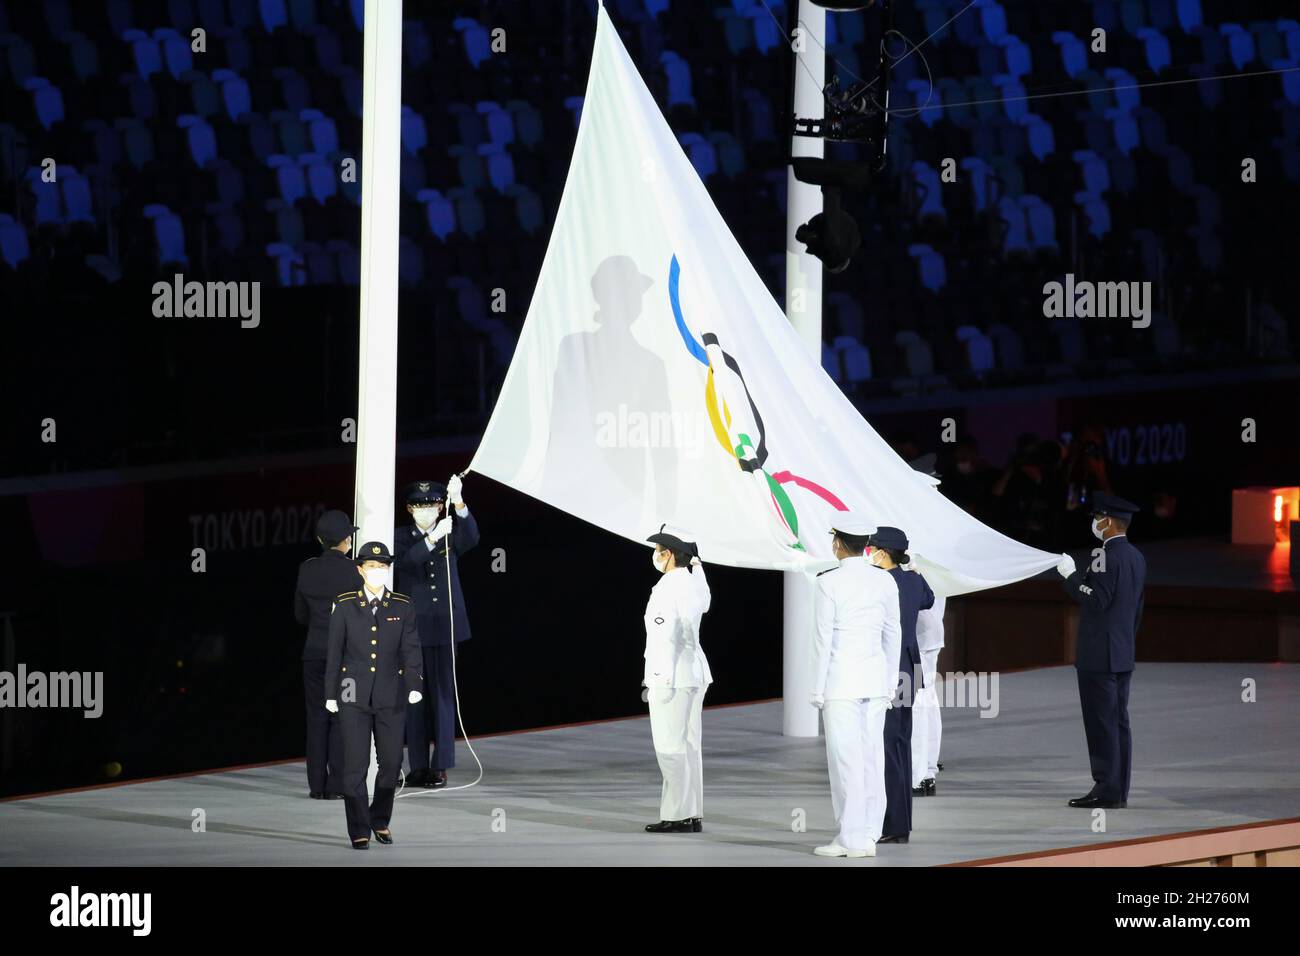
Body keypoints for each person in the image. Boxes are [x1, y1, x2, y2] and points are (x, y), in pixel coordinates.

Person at [810, 512, 901, 858]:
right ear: (866, 546)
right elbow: (893, 634)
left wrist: (817, 689)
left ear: (837, 543)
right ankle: (868, 835)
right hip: (876, 681)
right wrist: (891, 682)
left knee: (844, 761)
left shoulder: (827, 582)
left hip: (840, 682)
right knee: (870, 758)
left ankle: (850, 838)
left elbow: (823, 640)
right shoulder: (884, 581)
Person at [325, 542, 424, 849]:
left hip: (391, 694)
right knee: (355, 766)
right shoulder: (344, 605)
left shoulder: (402, 605)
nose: (377, 572)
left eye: (382, 567)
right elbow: (334, 653)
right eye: (371, 567)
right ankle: (358, 827)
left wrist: (414, 685)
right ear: (360, 570)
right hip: (352, 694)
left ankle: (379, 819)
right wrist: (330, 693)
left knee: (392, 763)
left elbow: (411, 649)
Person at [1056, 492, 1146, 809]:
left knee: (1101, 723)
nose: (1095, 523)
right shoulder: (1136, 556)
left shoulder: (1103, 555)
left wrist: (1070, 577)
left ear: (1107, 522)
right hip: (1122, 652)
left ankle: (1106, 788)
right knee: (1118, 722)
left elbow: (1096, 598)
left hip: (1099, 655)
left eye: (1097, 518)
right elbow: (1136, 609)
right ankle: (1118, 788)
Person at [395, 476, 480, 788]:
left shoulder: (450, 531)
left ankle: (441, 764)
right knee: (415, 698)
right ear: (409, 509)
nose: (425, 511)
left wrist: (459, 505)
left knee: (444, 696)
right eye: (419, 506)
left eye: (430, 505)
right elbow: (406, 562)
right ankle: (417, 765)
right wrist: (430, 541)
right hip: (413, 629)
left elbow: (472, 537)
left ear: (439, 506)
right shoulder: (402, 537)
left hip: (445, 626)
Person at [642, 524, 712, 833]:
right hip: (694, 672)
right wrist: (698, 568)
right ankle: (692, 813)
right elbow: (705, 601)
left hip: (671, 676)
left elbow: (662, 638)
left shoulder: (668, 586)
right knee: (689, 745)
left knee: (670, 747)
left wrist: (656, 679)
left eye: (659, 551)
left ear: (670, 554)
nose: (656, 556)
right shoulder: (693, 582)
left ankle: (677, 816)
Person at [869, 527, 934, 844]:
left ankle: (891, 824)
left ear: (882, 551)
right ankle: (899, 822)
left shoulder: (877, 582)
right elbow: (929, 599)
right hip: (908, 670)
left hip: (885, 672)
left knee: (884, 749)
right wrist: (915, 572)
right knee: (899, 746)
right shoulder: (912, 580)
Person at [293, 509, 360, 799]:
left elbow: (300, 615)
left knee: (316, 718)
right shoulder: (354, 572)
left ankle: (316, 786)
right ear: (346, 540)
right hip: (345, 658)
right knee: (342, 719)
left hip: (314, 653)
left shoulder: (306, 569)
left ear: (320, 539)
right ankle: (336, 786)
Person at [911, 592, 946, 796]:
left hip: (919, 635)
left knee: (917, 705)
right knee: (928, 703)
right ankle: (927, 773)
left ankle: (918, 775)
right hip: (930, 633)